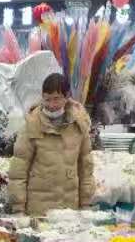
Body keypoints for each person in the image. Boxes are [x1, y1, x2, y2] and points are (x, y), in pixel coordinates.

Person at [8, 73, 94, 218]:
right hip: (39, 211)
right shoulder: (32, 124)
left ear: (67, 97)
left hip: (69, 209)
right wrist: (18, 209)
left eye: (56, 99)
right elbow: (18, 171)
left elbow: (86, 169)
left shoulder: (79, 125)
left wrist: (86, 204)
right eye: (47, 99)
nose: (51, 105)